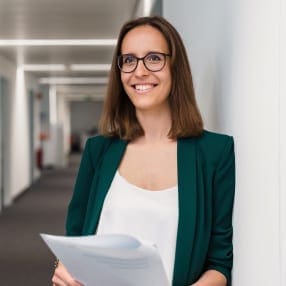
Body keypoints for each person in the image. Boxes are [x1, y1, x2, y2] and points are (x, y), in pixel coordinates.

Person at [52, 16, 235, 286]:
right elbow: (74, 238)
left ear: (175, 66)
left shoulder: (214, 153)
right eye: (129, 60)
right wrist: (62, 268)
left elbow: (219, 263)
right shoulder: (98, 151)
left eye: (153, 58)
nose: (139, 71)